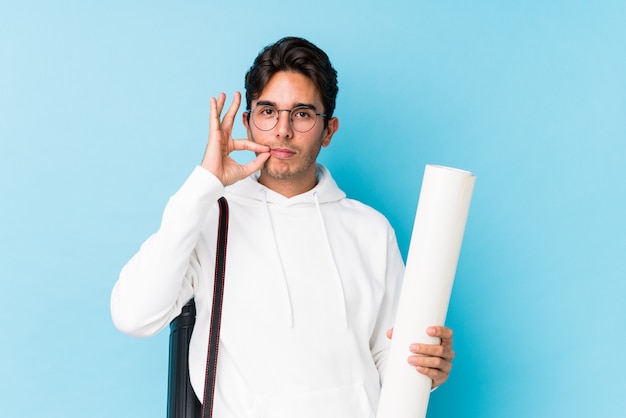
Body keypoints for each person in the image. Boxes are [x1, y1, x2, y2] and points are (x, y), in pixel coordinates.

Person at [111, 36, 454, 417]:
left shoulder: (371, 229)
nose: (283, 131)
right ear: (248, 122)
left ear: (329, 130)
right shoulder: (210, 217)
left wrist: (425, 370)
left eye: (303, 114)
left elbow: (387, 357)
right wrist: (204, 184)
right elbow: (133, 314)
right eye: (268, 112)